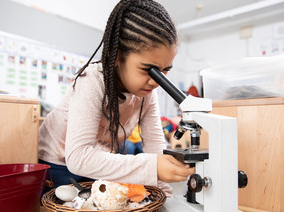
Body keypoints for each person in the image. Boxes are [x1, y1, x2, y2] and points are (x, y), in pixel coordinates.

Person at [38, 0, 195, 196]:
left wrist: (165, 195)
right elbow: (78, 157)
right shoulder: (92, 80)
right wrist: (153, 167)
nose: (157, 81)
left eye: (165, 70)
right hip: (58, 163)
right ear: (117, 56)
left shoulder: (148, 93)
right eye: (150, 70)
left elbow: (155, 149)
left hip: (97, 163)